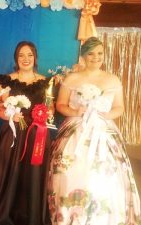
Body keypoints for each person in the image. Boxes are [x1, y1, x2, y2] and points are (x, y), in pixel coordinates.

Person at [47, 37, 141, 224]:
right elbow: (60, 105)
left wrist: (102, 115)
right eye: (91, 53)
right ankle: (68, 215)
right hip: (75, 128)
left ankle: (104, 217)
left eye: (99, 53)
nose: (95, 57)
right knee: (70, 170)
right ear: (83, 56)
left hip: (103, 129)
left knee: (106, 173)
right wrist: (77, 111)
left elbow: (119, 108)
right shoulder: (73, 78)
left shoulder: (112, 79)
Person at [0, 41, 52, 225]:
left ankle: (32, 215)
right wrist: (9, 117)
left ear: (35, 57)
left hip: (38, 135)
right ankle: (5, 214)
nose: (25, 59)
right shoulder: (6, 81)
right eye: (21, 55)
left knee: (33, 174)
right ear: (16, 58)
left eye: (29, 55)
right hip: (13, 134)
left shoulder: (45, 81)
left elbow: (49, 106)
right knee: (9, 174)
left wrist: (48, 113)